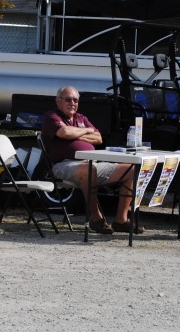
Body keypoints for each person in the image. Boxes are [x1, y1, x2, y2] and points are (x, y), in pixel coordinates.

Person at [41, 86, 144, 235]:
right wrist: (86, 131)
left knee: (131, 170)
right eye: (68, 99)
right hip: (64, 164)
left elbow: (98, 137)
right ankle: (96, 219)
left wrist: (75, 135)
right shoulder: (52, 117)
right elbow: (64, 132)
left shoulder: (81, 118)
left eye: (75, 100)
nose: (72, 103)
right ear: (58, 101)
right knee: (88, 169)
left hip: (92, 162)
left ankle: (121, 220)